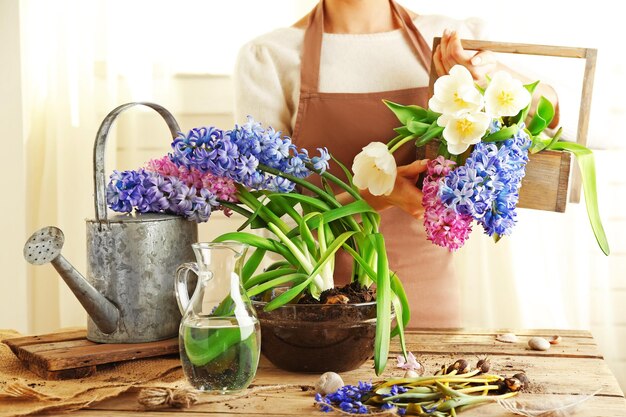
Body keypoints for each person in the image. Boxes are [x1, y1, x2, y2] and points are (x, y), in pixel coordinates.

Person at [233, 0, 507, 328]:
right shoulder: (269, 57)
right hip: (316, 317)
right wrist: (372, 197)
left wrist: (482, 86)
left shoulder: (449, 39)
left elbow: (552, 109)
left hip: (428, 308)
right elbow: (271, 221)